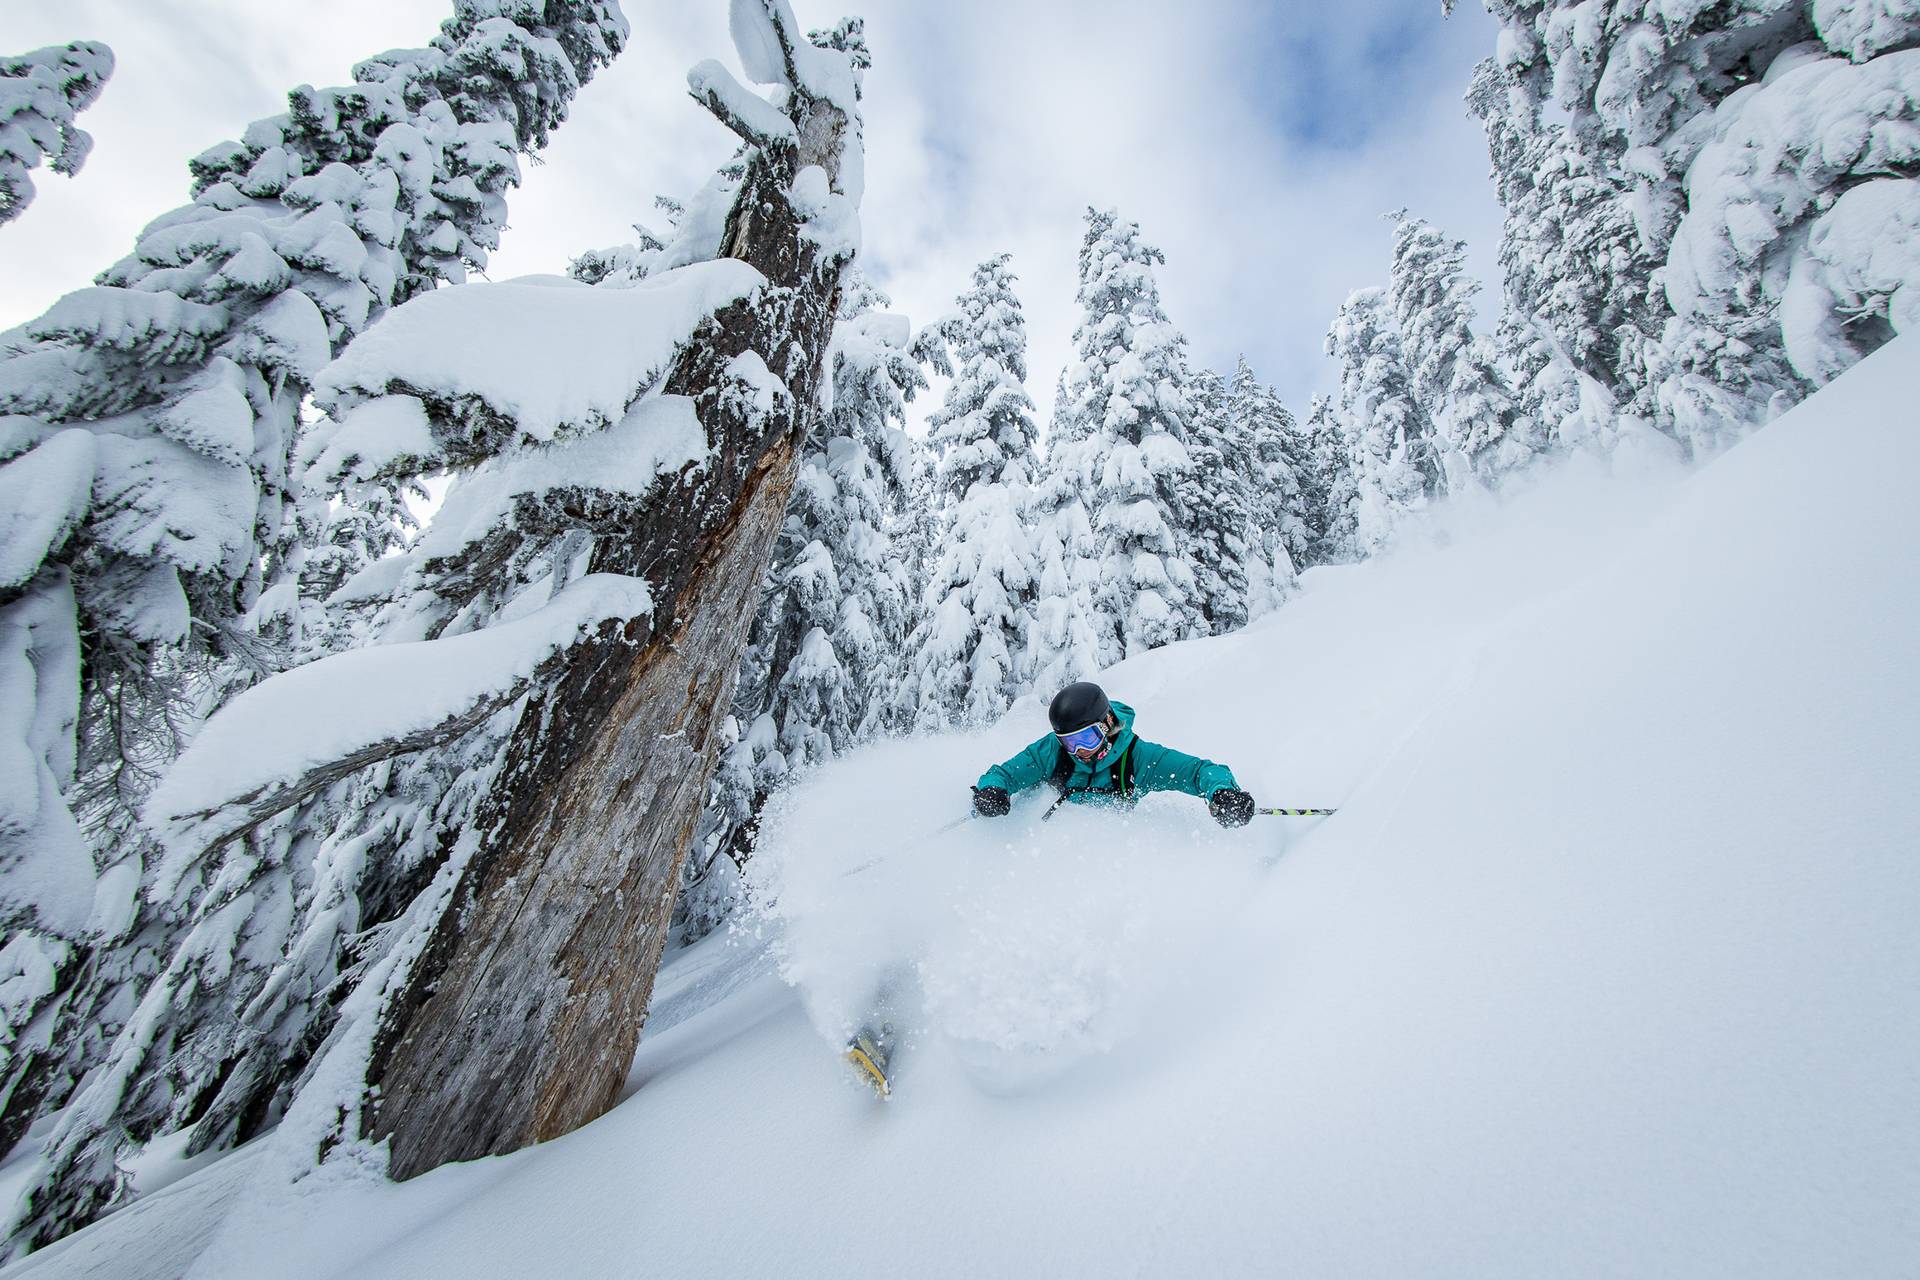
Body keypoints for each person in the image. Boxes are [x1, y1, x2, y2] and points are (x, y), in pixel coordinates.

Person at [971, 681, 1256, 827]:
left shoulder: (1138, 759)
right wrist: (991, 791)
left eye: (1086, 738)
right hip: (1043, 836)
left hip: (1101, 851)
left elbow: (1198, 772)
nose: (1079, 751)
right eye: (1069, 742)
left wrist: (1223, 793)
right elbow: (1004, 775)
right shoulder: (1052, 751)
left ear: (1106, 724)